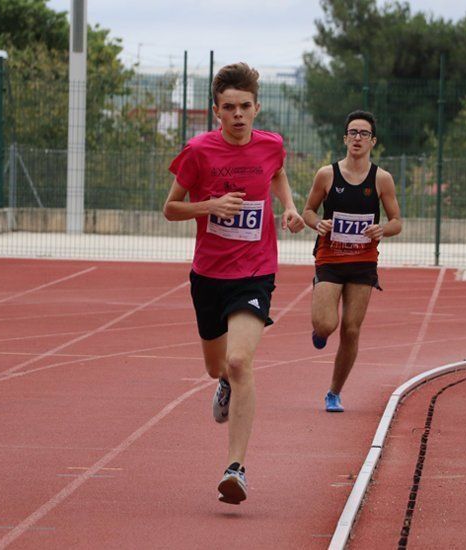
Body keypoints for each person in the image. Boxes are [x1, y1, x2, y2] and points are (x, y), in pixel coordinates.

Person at [163, 62, 305, 504]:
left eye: (245, 106)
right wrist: (210, 205)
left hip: (255, 270)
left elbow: (277, 173)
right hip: (208, 274)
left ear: (257, 108)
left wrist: (289, 206)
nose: (239, 114)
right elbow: (170, 208)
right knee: (217, 367)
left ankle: (235, 468)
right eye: (230, 107)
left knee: (241, 361)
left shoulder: (271, 145)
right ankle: (222, 382)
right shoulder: (198, 151)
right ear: (216, 111)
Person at [302, 110, 402, 413]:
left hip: (362, 262)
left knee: (352, 330)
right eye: (353, 132)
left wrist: (382, 229)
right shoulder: (327, 175)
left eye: (364, 134)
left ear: (373, 141)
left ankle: (334, 392)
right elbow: (308, 210)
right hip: (330, 259)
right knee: (326, 324)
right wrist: (317, 223)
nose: (357, 138)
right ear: (345, 138)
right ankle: (319, 331)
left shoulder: (382, 179)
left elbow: (397, 221)